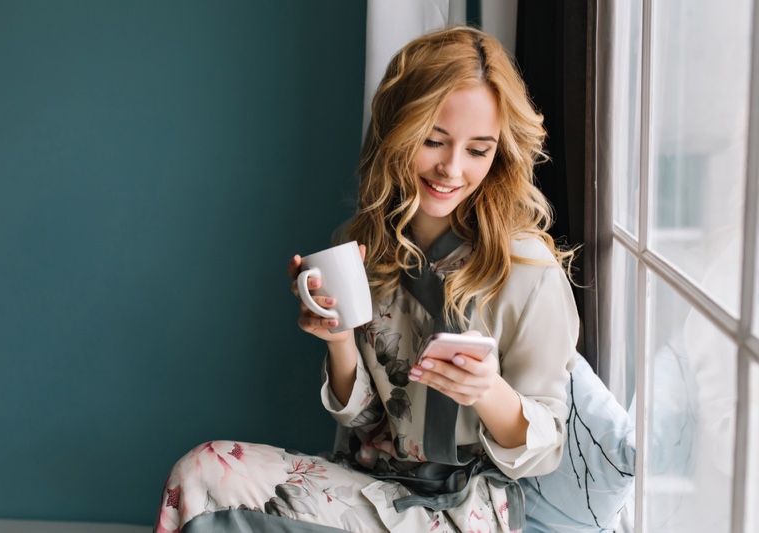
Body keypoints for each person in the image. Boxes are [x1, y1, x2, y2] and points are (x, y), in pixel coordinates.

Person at [154, 26, 579, 533]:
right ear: (398, 130)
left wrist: (486, 391)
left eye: (478, 150)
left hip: (463, 512)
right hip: (370, 487)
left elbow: (546, 446)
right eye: (433, 140)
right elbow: (366, 422)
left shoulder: (526, 269)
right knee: (201, 474)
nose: (451, 167)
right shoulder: (364, 248)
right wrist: (338, 343)